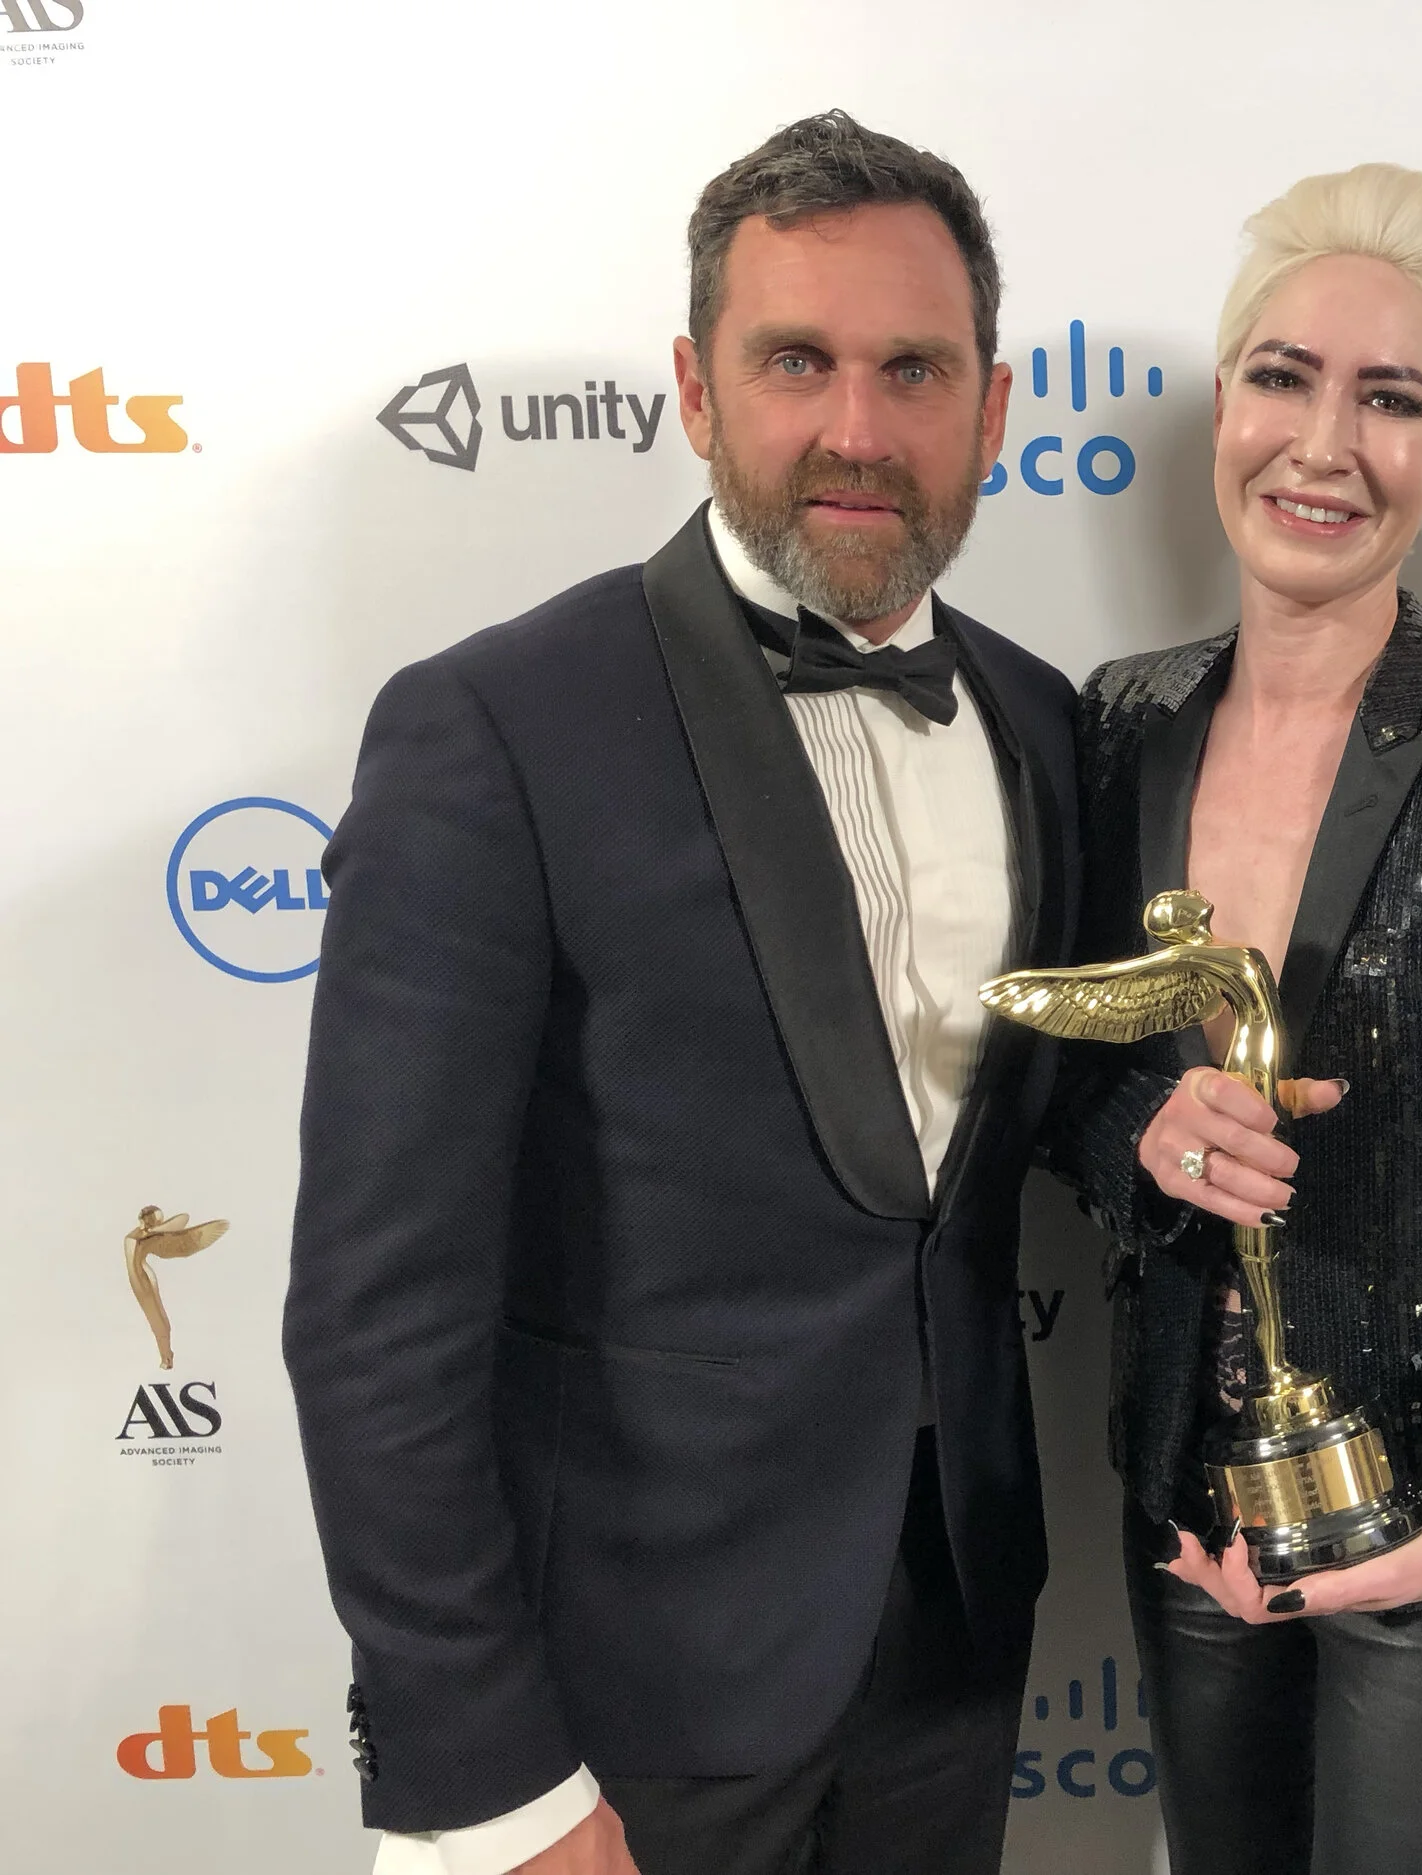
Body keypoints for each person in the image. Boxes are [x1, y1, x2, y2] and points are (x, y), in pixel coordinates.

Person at [283, 110, 1078, 1875]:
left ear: (995, 408)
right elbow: (376, 1309)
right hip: (614, 1693)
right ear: (697, 391)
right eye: (796, 361)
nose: (857, 429)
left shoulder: (1042, 720)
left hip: (950, 1653)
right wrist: (490, 1775)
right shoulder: (497, 727)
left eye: (915, 369)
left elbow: (1047, 1102)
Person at [1043, 165, 1422, 1875]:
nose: (1323, 443)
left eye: (1391, 398)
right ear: (1225, 401)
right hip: (1191, 1507)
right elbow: (1071, 1093)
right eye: (1285, 378)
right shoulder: (1119, 720)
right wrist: (1144, 1136)